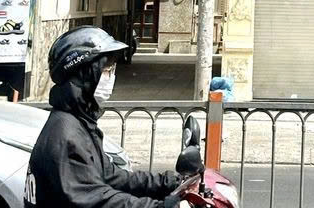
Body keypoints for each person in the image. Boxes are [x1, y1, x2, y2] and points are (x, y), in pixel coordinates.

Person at [23, 26, 201, 208]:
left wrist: (170, 183)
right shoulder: (66, 135)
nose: (111, 77)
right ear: (85, 74)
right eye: (106, 70)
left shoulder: (79, 123)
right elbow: (95, 199)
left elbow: (111, 176)